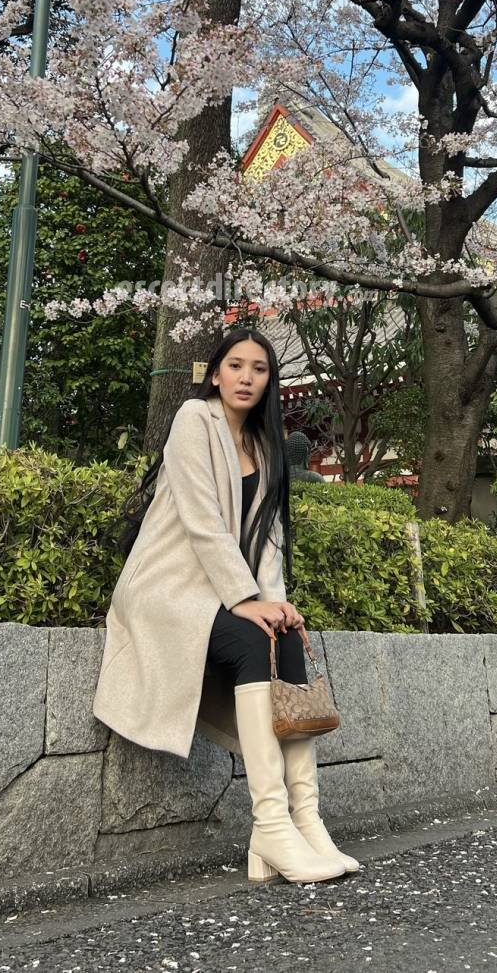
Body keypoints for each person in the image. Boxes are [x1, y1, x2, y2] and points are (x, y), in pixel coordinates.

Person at [93, 326, 359, 885]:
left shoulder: (264, 446)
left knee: (284, 639)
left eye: (259, 369)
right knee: (251, 640)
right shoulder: (195, 419)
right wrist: (246, 601)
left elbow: (270, 540)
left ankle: (305, 820)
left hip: (219, 591)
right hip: (167, 587)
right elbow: (202, 521)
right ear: (216, 374)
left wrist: (276, 605)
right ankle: (270, 825)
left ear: (269, 382)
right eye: (235, 366)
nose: (246, 377)